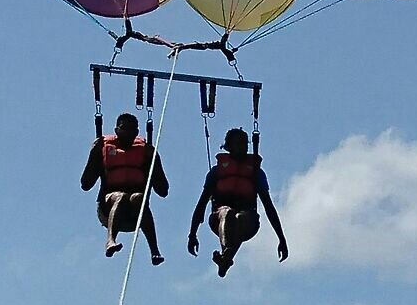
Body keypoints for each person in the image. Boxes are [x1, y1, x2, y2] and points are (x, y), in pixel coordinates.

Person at [188, 128, 288, 277]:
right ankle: (226, 255)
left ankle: (225, 258)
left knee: (239, 217)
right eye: (237, 144)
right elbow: (201, 205)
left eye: (244, 144)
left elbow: (269, 207)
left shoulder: (255, 173)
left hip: (248, 221)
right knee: (227, 213)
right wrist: (192, 235)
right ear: (228, 147)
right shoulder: (216, 173)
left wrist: (281, 239)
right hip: (220, 218)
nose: (242, 148)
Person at [81, 113, 168, 264]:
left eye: (132, 129)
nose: (128, 132)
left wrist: (154, 158)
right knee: (120, 196)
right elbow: (86, 184)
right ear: (116, 130)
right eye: (124, 128)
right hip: (108, 207)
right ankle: (110, 241)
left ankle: (155, 251)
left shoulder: (145, 151)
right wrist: (94, 153)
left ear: (136, 132)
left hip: (135, 212)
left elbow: (163, 190)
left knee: (138, 197)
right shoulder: (104, 148)